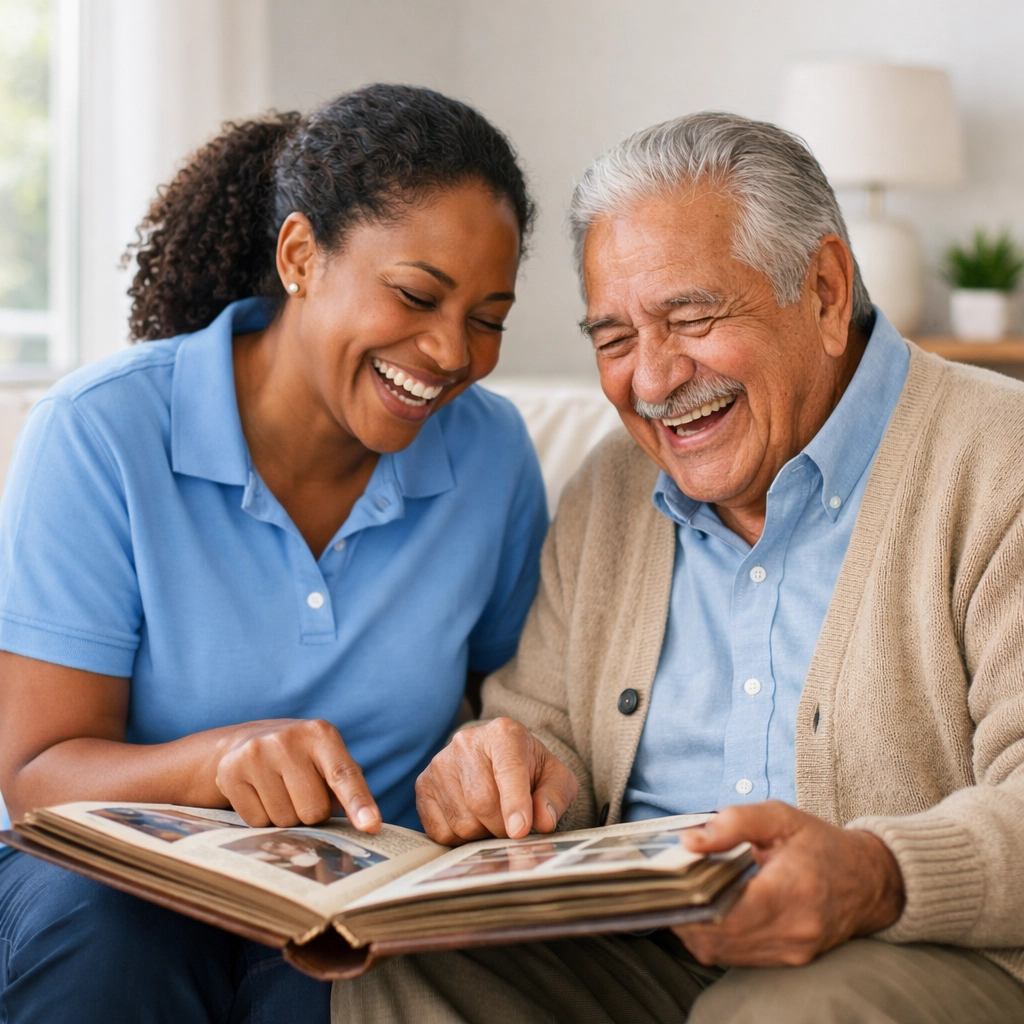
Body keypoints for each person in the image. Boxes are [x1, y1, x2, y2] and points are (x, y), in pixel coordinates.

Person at [335, 113, 1024, 1023]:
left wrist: (871, 876)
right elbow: (543, 729)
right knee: (403, 960)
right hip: (647, 949)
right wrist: (508, 768)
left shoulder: (998, 461)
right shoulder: (610, 490)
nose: (652, 381)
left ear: (823, 291)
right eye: (613, 339)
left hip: (922, 948)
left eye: (691, 318)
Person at [0, 84, 547, 1024]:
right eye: (417, 295)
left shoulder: (490, 456)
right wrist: (214, 763)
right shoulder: (102, 432)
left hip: (354, 892)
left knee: (347, 986)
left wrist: (495, 760)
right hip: (107, 881)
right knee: (113, 946)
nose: (452, 352)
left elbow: (504, 698)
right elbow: (40, 777)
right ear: (300, 255)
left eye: (489, 317)